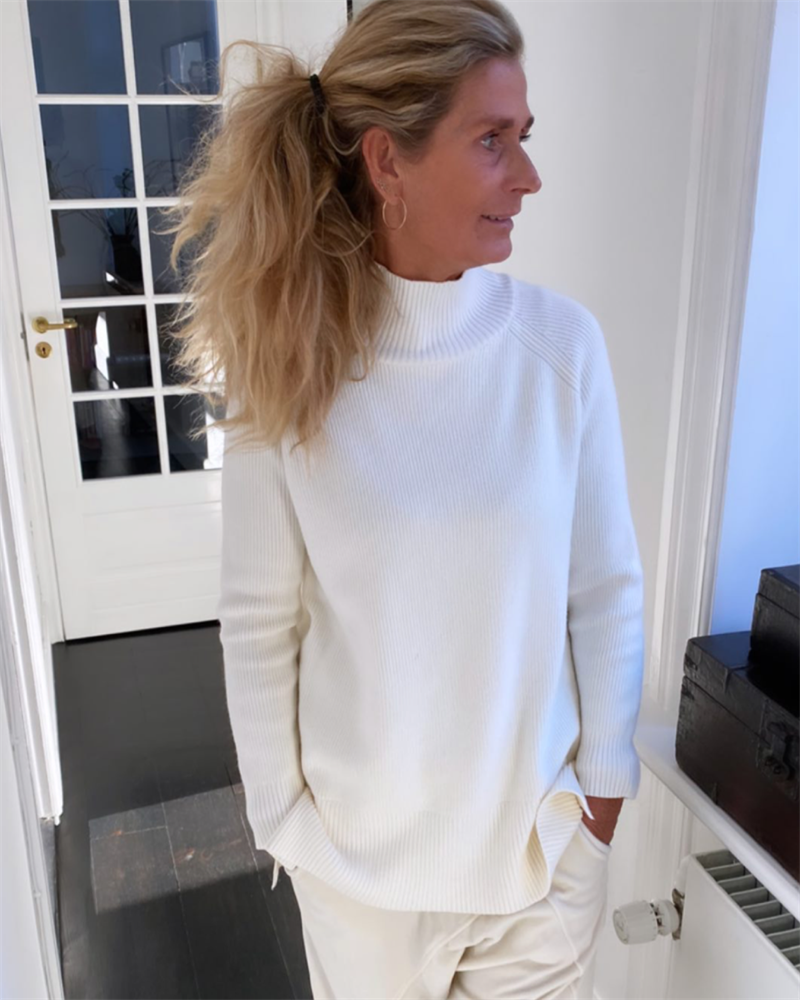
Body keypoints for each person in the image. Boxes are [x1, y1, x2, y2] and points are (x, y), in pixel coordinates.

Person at [164, 0, 645, 996]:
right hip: (358, 884)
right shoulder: (289, 365)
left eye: (523, 137)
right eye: (491, 140)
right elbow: (257, 621)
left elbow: (603, 589)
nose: (528, 176)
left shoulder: (561, 350)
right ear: (388, 162)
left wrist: (601, 799)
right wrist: (282, 824)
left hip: (538, 863)